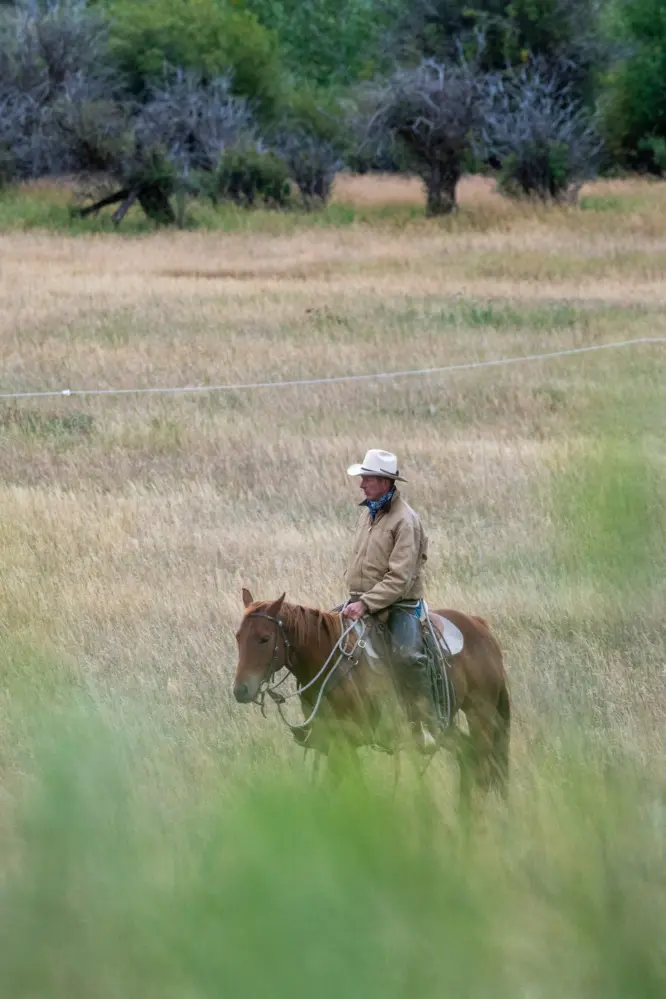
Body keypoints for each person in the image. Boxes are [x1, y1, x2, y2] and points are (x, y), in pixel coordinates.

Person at [343, 448, 437, 754]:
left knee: (406, 657)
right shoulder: (368, 512)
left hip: (399, 606)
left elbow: (400, 579)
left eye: (367, 479)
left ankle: (422, 725)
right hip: (360, 601)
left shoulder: (405, 522)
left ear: (385, 482)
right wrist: (358, 600)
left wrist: (366, 604)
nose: (361, 484)